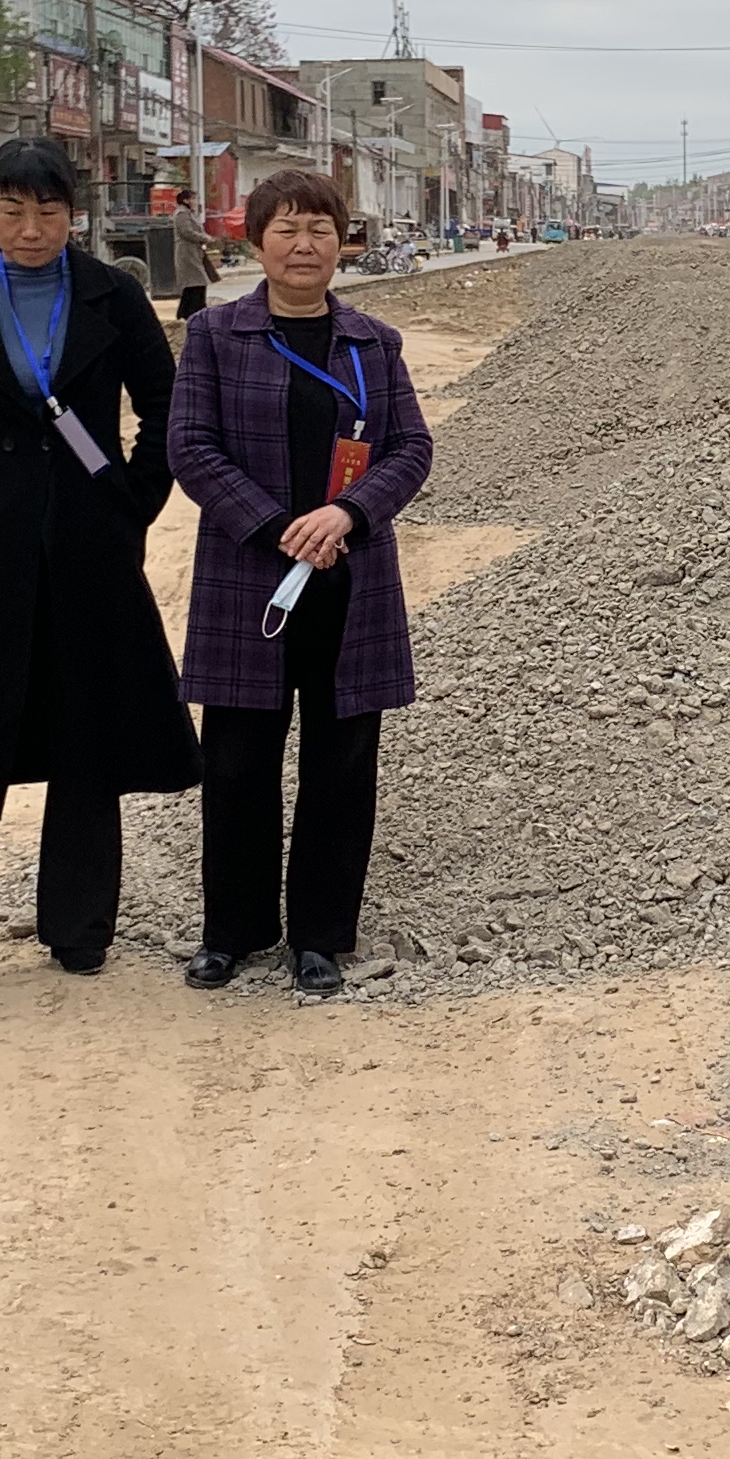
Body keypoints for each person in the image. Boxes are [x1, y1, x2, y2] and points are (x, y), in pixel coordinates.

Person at [0, 138, 200, 985]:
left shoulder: (112, 295)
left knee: (84, 729)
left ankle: (80, 925)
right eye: (13, 210)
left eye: (49, 211)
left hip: (86, 542)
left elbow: (166, 405)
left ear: (75, 213)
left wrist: (132, 505)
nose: (31, 228)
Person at [170, 170, 438, 995]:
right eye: (286, 228)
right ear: (257, 242)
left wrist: (346, 515)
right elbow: (190, 446)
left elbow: (411, 450)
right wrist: (276, 523)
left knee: (341, 760)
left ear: (342, 243)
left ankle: (320, 933)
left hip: (348, 577)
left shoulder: (373, 344)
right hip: (251, 572)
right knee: (240, 758)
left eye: (320, 229)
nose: (304, 244)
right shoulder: (216, 335)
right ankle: (234, 931)